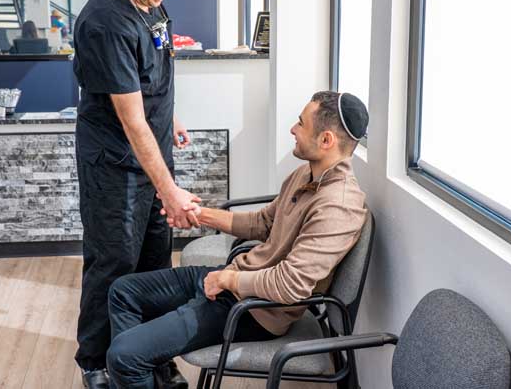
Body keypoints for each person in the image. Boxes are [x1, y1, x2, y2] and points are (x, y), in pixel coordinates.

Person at [105, 91, 370, 389]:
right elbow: (262, 223)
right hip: (236, 280)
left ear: (326, 140)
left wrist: (228, 280)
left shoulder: (339, 206)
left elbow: (291, 285)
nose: (293, 129)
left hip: (255, 311)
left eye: (301, 123)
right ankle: (157, 377)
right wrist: (199, 213)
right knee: (123, 291)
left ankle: (139, 368)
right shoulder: (304, 175)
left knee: (124, 356)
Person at [72, 0, 197, 389]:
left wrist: (172, 116)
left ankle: (148, 352)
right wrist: (171, 190)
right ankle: (96, 362)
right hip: (115, 165)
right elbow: (130, 119)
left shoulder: (149, 0)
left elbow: (153, 73)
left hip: (150, 153)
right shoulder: (105, 24)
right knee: (114, 263)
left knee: (154, 263)